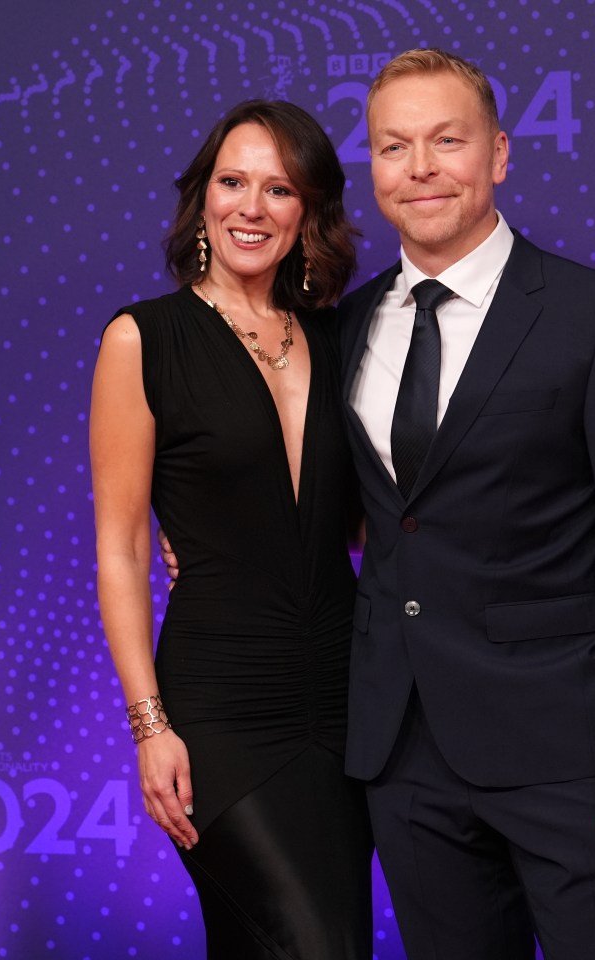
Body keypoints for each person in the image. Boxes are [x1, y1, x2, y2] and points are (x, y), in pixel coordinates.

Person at [337, 49, 595, 960]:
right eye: (393, 146)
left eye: (446, 140)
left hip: (568, 752)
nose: (419, 168)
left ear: (498, 153)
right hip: (402, 752)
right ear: (372, 169)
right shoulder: (343, 326)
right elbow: (373, 510)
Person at [90, 100, 373, 960]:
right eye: (233, 182)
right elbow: (122, 545)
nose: (251, 206)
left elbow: (358, 521)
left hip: (343, 700)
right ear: (203, 200)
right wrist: (150, 726)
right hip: (218, 711)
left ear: (308, 211)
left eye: (278, 188)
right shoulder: (144, 339)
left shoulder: (339, 338)